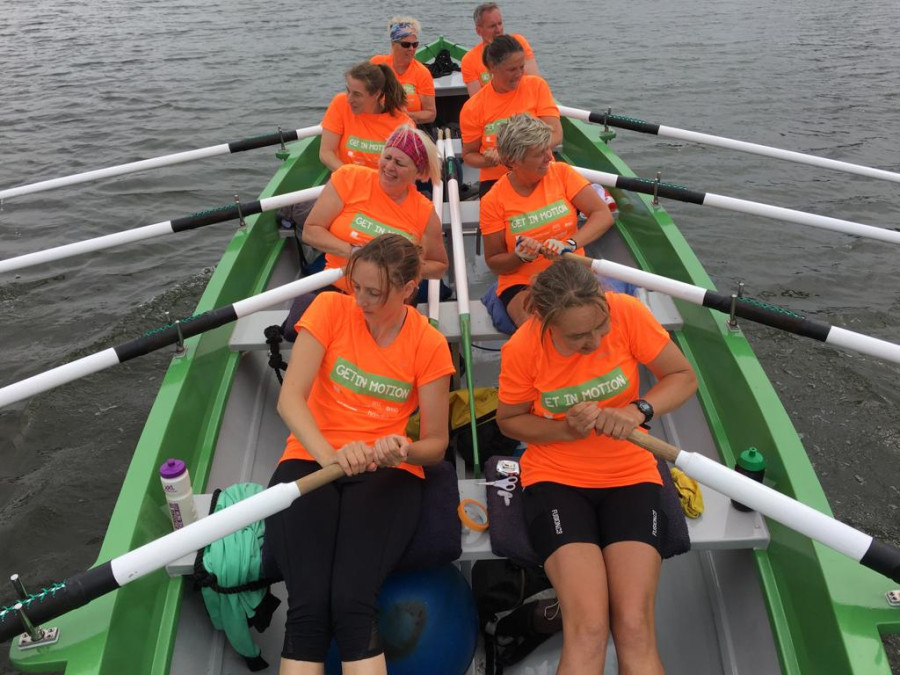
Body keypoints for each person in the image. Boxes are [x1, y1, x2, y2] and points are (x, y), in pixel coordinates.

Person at [265, 234, 455, 674]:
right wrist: (330, 456)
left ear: (408, 289)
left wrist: (402, 450)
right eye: (357, 287)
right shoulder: (330, 309)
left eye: (375, 292)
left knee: (353, 602)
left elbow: (436, 445)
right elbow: (289, 401)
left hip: (386, 470)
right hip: (312, 457)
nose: (361, 300)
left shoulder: (428, 344)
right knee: (308, 604)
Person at [496, 260, 698, 674]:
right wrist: (565, 430)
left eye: (600, 328)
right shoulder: (522, 348)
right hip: (555, 479)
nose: (593, 342)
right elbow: (510, 421)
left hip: (630, 474)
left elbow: (682, 376)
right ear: (546, 323)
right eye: (577, 336)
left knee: (634, 626)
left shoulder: (627, 313)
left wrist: (638, 410)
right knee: (588, 628)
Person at [480, 113, 614, 327]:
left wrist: (569, 244)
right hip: (522, 282)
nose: (549, 157)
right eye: (539, 153)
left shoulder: (561, 173)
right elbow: (495, 262)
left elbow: (602, 215)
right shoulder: (493, 201)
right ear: (513, 161)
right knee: (538, 329)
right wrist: (520, 256)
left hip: (571, 269)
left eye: (548, 149)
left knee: (596, 321)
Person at [303, 125, 448, 294]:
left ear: (418, 173)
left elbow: (439, 266)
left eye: (399, 163)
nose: (389, 167)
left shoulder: (424, 212)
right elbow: (311, 231)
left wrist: (399, 266)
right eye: (387, 157)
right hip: (337, 287)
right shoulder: (349, 177)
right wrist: (355, 252)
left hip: (388, 298)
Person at [459, 35, 561, 197]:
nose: (519, 74)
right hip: (496, 178)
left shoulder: (537, 86)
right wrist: (489, 160)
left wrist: (517, 153)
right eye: (512, 69)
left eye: (522, 67)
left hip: (540, 169)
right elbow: (469, 156)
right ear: (492, 68)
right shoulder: (473, 107)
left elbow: (556, 134)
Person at [319, 61, 414, 172]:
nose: (349, 99)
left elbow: (403, 170)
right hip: (345, 178)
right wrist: (351, 176)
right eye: (348, 91)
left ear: (376, 94)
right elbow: (326, 153)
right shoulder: (340, 103)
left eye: (357, 94)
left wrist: (367, 180)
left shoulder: (403, 125)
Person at [461, 2, 540, 95]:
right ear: (478, 31)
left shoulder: (518, 43)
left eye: (500, 23)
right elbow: (477, 98)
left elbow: (535, 82)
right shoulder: (469, 60)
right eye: (492, 26)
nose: (498, 30)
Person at [370, 17, 436, 126]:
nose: (411, 49)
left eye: (415, 44)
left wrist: (407, 115)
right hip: (379, 124)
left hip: (407, 127)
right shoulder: (377, 64)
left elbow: (431, 114)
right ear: (393, 44)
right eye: (406, 45)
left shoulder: (422, 73)